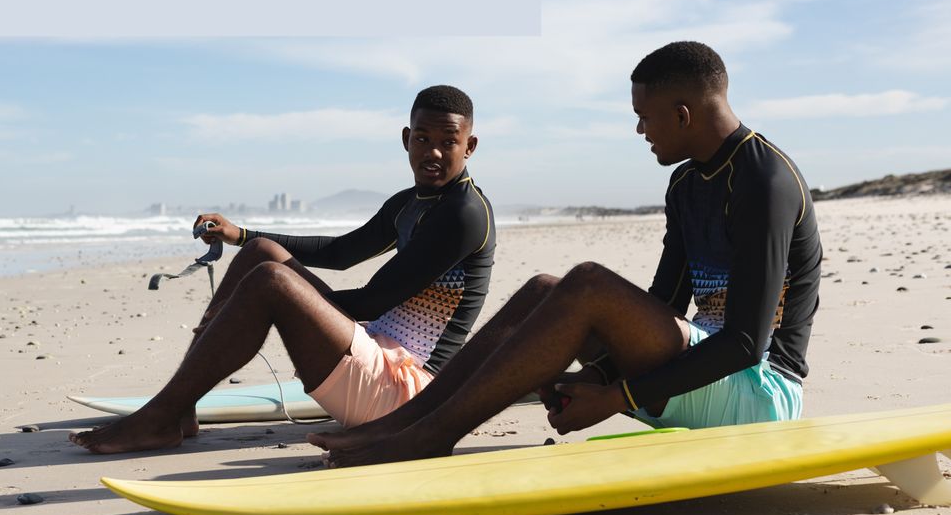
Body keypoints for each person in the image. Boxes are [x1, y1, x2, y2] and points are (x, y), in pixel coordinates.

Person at [309, 41, 822, 467]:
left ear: (683, 115)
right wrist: (595, 376)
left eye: (644, 117)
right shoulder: (687, 183)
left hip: (758, 395)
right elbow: (663, 306)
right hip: (697, 374)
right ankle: (407, 424)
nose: (640, 130)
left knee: (588, 283)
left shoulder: (764, 181)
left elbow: (746, 344)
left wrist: (618, 398)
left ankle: (428, 436)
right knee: (543, 291)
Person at [70, 84, 495, 454]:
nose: (433, 152)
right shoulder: (410, 202)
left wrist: (278, 302)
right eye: (422, 138)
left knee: (270, 281)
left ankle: (159, 417)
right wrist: (242, 235)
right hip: (377, 359)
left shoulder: (464, 214)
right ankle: (179, 410)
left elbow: (375, 299)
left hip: (407, 395)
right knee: (262, 254)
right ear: (406, 139)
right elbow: (341, 252)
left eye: (448, 141)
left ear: (469, 146)